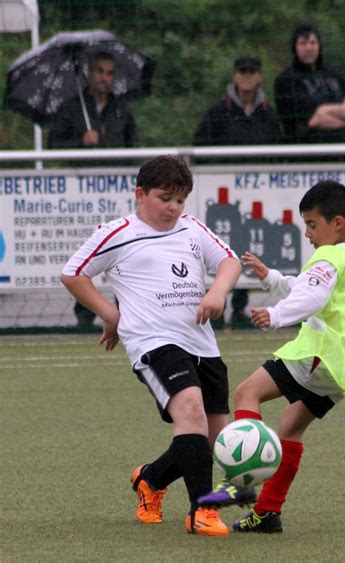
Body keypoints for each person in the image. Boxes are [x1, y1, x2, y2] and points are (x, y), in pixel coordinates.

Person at [61, 155, 241, 536]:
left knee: (210, 439)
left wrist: (218, 291)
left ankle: (151, 479)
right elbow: (74, 274)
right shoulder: (118, 232)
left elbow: (228, 261)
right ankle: (202, 512)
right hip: (153, 342)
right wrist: (112, 316)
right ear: (140, 194)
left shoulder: (191, 228)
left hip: (202, 343)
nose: (173, 208)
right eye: (164, 199)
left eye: (180, 200)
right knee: (189, 409)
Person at [198, 180, 345, 533]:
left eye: (312, 225)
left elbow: (312, 295)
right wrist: (274, 279)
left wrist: (277, 314)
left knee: (246, 393)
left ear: (337, 223)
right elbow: (315, 287)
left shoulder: (329, 255)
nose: (308, 234)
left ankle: (241, 481)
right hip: (341, 369)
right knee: (290, 430)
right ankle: (267, 513)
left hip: (315, 353)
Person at [49, 51, 140, 327]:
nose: (104, 78)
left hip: (116, 191)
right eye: (100, 71)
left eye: (109, 73)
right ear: (90, 73)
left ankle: (124, 311)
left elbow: (134, 148)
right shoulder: (71, 108)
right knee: (89, 253)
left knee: (122, 252)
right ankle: (85, 314)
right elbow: (54, 146)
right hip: (82, 192)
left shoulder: (121, 110)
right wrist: (81, 141)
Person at [193, 56, 280, 328]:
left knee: (248, 246)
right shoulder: (218, 112)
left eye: (252, 72)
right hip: (223, 193)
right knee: (222, 247)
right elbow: (200, 146)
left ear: (260, 76)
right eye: (242, 72)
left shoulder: (269, 113)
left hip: (259, 194)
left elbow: (279, 152)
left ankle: (240, 306)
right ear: (234, 75)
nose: (246, 77)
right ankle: (218, 305)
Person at [274, 22, 345, 159]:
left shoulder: (334, 74)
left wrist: (326, 110)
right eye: (303, 43)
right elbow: (313, 121)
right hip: (306, 158)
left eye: (313, 43)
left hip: (340, 156)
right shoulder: (286, 80)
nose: (309, 48)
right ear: (295, 47)